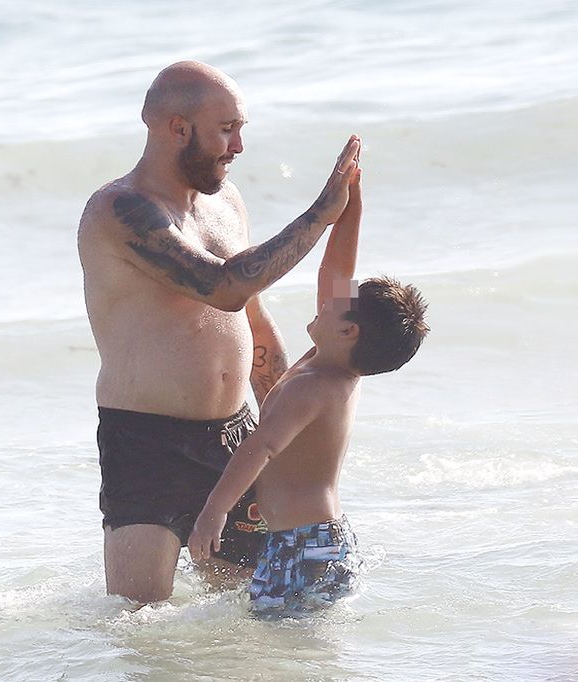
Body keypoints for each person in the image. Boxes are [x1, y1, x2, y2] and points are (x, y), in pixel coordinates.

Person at [77, 59, 362, 603]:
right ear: (176, 128)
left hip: (234, 436)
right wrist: (321, 214)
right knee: (141, 627)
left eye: (240, 129)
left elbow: (250, 313)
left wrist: (287, 416)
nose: (237, 147)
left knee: (248, 616)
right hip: (146, 442)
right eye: (226, 129)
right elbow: (223, 286)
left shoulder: (226, 203)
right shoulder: (120, 209)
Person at [188, 162, 429, 614]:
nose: (329, 296)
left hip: (302, 545)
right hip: (318, 539)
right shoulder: (331, 364)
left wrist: (214, 511)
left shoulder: (315, 385)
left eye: (339, 304)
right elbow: (336, 270)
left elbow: (259, 447)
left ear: (350, 331)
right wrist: (351, 201)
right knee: (291, 645)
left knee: (280, 644)